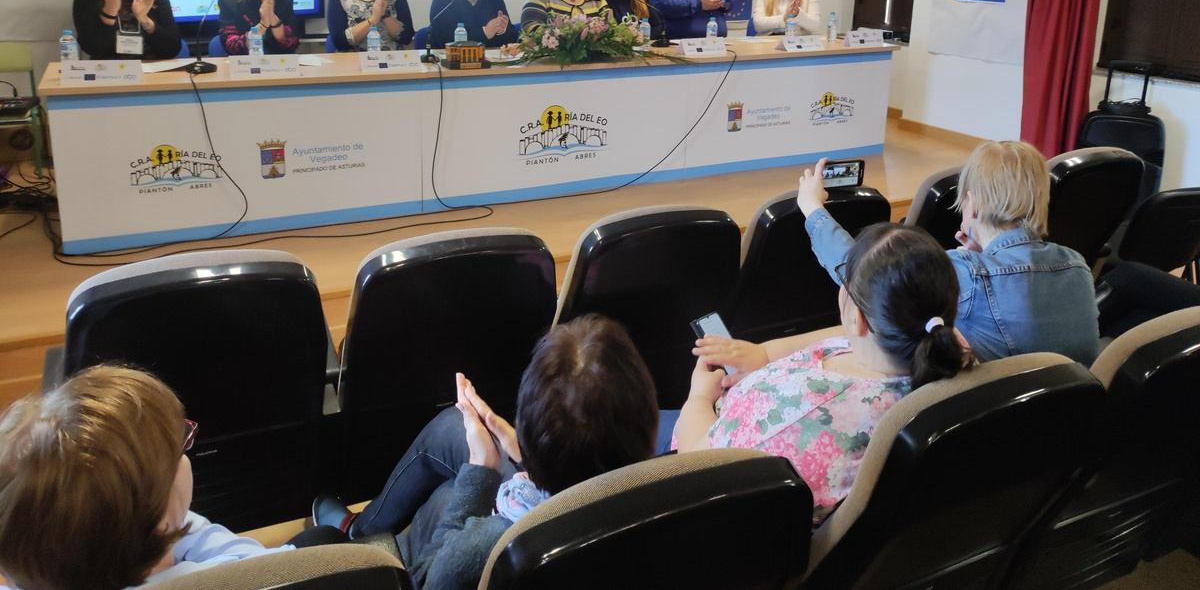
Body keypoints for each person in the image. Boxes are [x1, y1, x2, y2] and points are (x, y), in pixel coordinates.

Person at [313, 315, 658, 590]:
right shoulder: (674, 483)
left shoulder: (488, 547)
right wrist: (515, 447)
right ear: (650, 419)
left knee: (447, 497)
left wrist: (481, 472)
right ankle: (361, 529)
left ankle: (368, 541)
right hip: (572, 502)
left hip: (446, 564)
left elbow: (432, 581)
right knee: (453, 427)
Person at [675, 222, 969, 525]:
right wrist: (763, 355)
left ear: (857, 318)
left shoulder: (790, 416)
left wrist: (698, 397)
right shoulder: (948, 351)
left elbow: (696, 469)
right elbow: (841, 335)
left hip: (705, 480)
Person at [0, 365, 343, 590]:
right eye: (180, 445)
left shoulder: (27, 566)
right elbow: (279, 567)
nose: (184, 446)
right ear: (158, 521)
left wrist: (163, 525)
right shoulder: (232, 576)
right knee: (323, 539)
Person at [805, 144, 1100, 363]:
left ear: (971, 205)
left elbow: (866, 273)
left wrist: (812, 208)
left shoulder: (968, 272)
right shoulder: (1077, 265)